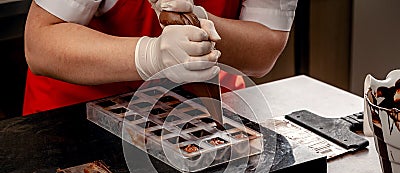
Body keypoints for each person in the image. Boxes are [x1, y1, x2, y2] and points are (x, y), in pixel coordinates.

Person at [23, 0, 298, 115]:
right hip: (76, 122)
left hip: (194, 121)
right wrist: (149, 56)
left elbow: (265, 49)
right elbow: (41, 43)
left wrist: (198, 22)